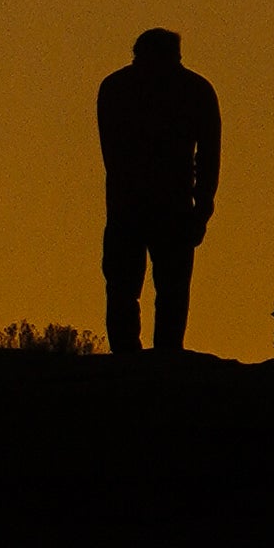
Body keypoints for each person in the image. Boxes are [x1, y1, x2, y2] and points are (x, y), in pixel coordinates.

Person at [98, 26, 220, 361]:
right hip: (165, 206)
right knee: (164, 290)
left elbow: (113, 155)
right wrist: (202, 207)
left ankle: (137, 357)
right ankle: (156, 357)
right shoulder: (195, 89)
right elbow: (208, 158)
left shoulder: (116, 88)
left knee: (134, 288)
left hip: (135, 206)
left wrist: (201, 208)